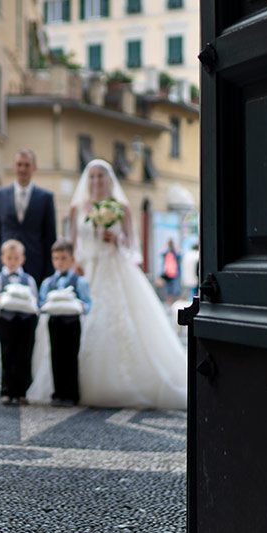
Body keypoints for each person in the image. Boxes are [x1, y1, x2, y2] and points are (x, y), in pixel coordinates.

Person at [70, 159, 187, 409]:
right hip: (88, 270)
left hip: (115, 266)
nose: (96, 181)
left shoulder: (121, 207)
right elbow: (73, 245)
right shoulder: (78, 207)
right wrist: (76, 264)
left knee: (121, 319)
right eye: (92, 176)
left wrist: (117, 239)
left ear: (109, 179)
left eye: (101, 176)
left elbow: (133, 247)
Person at [27, 240, 92, 406]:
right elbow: (41, 302)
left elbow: (87, 303)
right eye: (56, 258)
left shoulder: (80, 282)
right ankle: (58, 393)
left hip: (72, 322)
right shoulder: (48, 283)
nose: (60, 262)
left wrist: (81, 306)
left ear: (71, 259)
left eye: (64, 258)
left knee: (71, 356)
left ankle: (71, 393)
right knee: (56, 355)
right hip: (54, 321)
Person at [0, 149, 57, 287]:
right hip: (5, 266)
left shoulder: (45, 197)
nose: (22, 169)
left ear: (34, 168)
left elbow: (50, 237)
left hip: (36, 266)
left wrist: (49, 274)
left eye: (27, 165)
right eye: (19, 164)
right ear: (14, 167)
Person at [0, 239, 39, 406]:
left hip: (26, 322)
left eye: (16, 258)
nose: (12, 261)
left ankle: (22, 391)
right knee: (7, 354)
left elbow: (34, 300)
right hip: (6, 321)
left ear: (22, 259)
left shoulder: (29, 280)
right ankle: (7, 390)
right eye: (9, 258)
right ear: (3, 258)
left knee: (24, 354)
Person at [160, 238, 181, 306]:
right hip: (170, 273)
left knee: (172, 289)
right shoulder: (168, 252)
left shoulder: (172, 252)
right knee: (171, 289)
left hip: (172, 273)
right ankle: (171, 303)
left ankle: (171, 303)